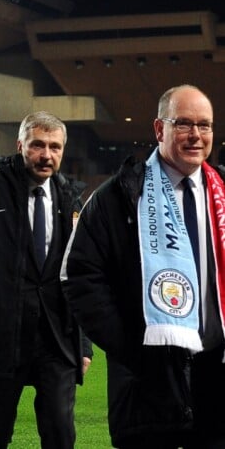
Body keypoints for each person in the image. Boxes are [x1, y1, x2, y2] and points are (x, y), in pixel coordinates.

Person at [61, 84, 225, 449]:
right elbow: (79, 275)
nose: (196, 135)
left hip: (216, 380)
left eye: (205, 125)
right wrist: (132, 348)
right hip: (146, 385)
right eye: (183, 124)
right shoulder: (117, 196)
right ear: (158, 130)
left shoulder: (223, 193)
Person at [0, 110, 92, 449]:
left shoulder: (70, 198)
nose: (46, 155)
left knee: (61, 435)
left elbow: (80, 276)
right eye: (38, 145)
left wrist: (83, 344)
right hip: (0, 337)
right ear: (20, 144)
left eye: (55, 147)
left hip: (57, 341)